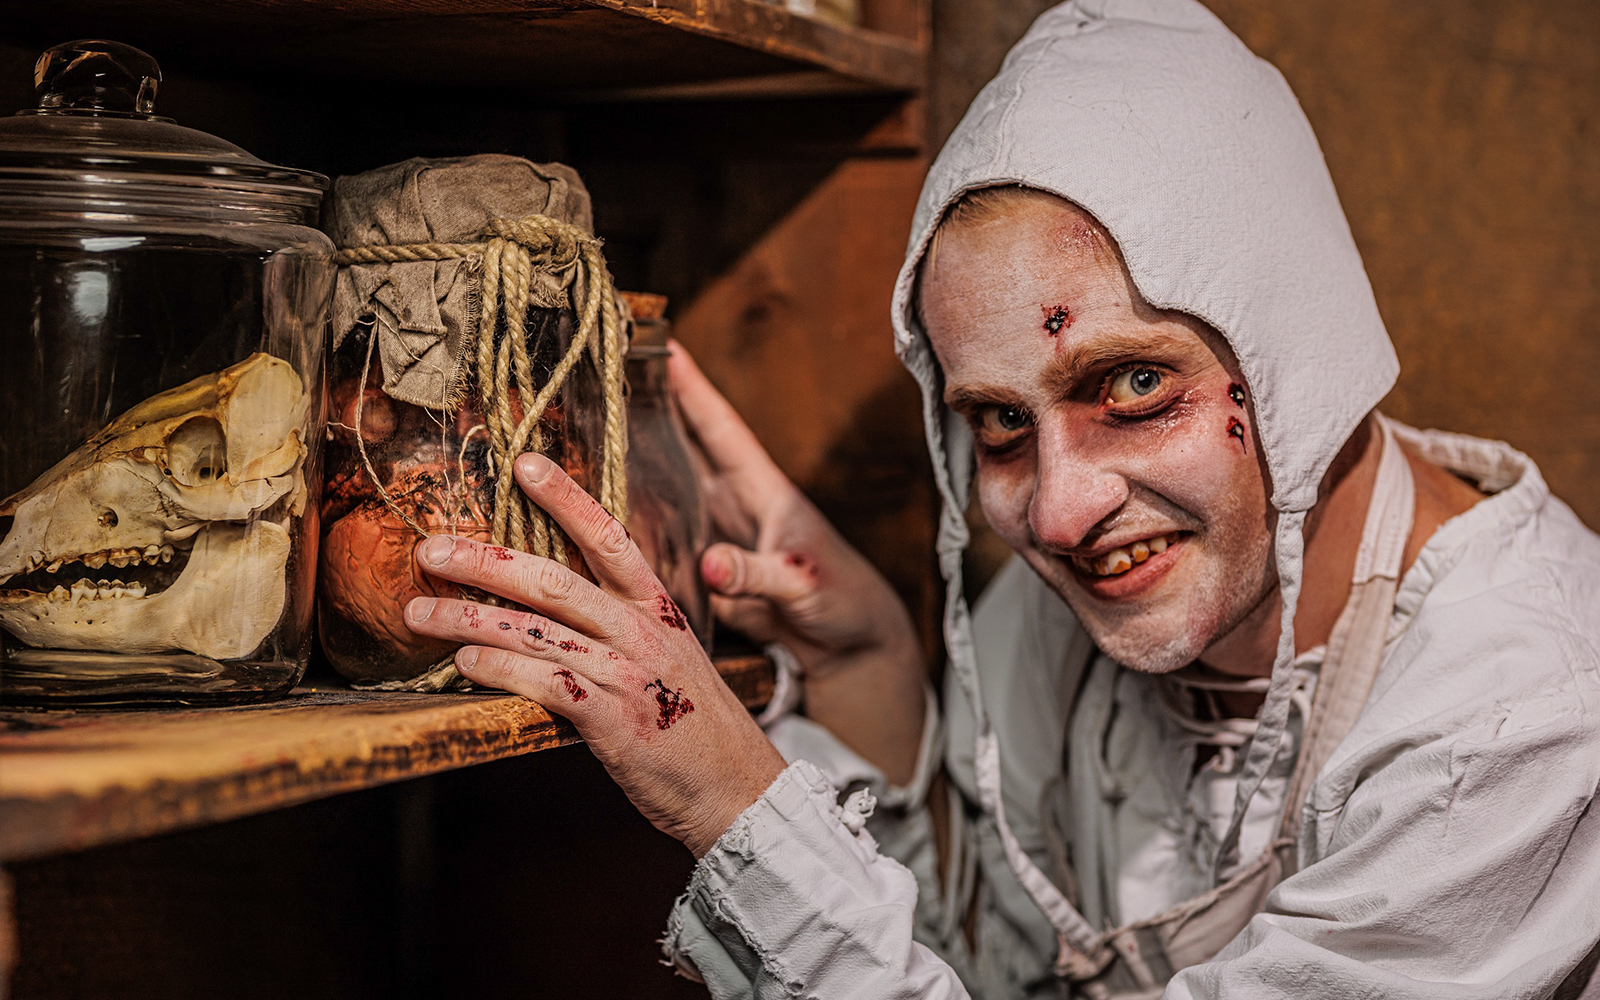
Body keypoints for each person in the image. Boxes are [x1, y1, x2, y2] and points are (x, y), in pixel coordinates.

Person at [398, 1, 1600, 996]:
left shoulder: (1523, 717)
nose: (1062, 513)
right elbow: (988, 967)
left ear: (1296, 358)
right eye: (1000, 423)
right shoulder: (1091, 598)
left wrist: (733, 803)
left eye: (1133, 382)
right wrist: (875, 675)